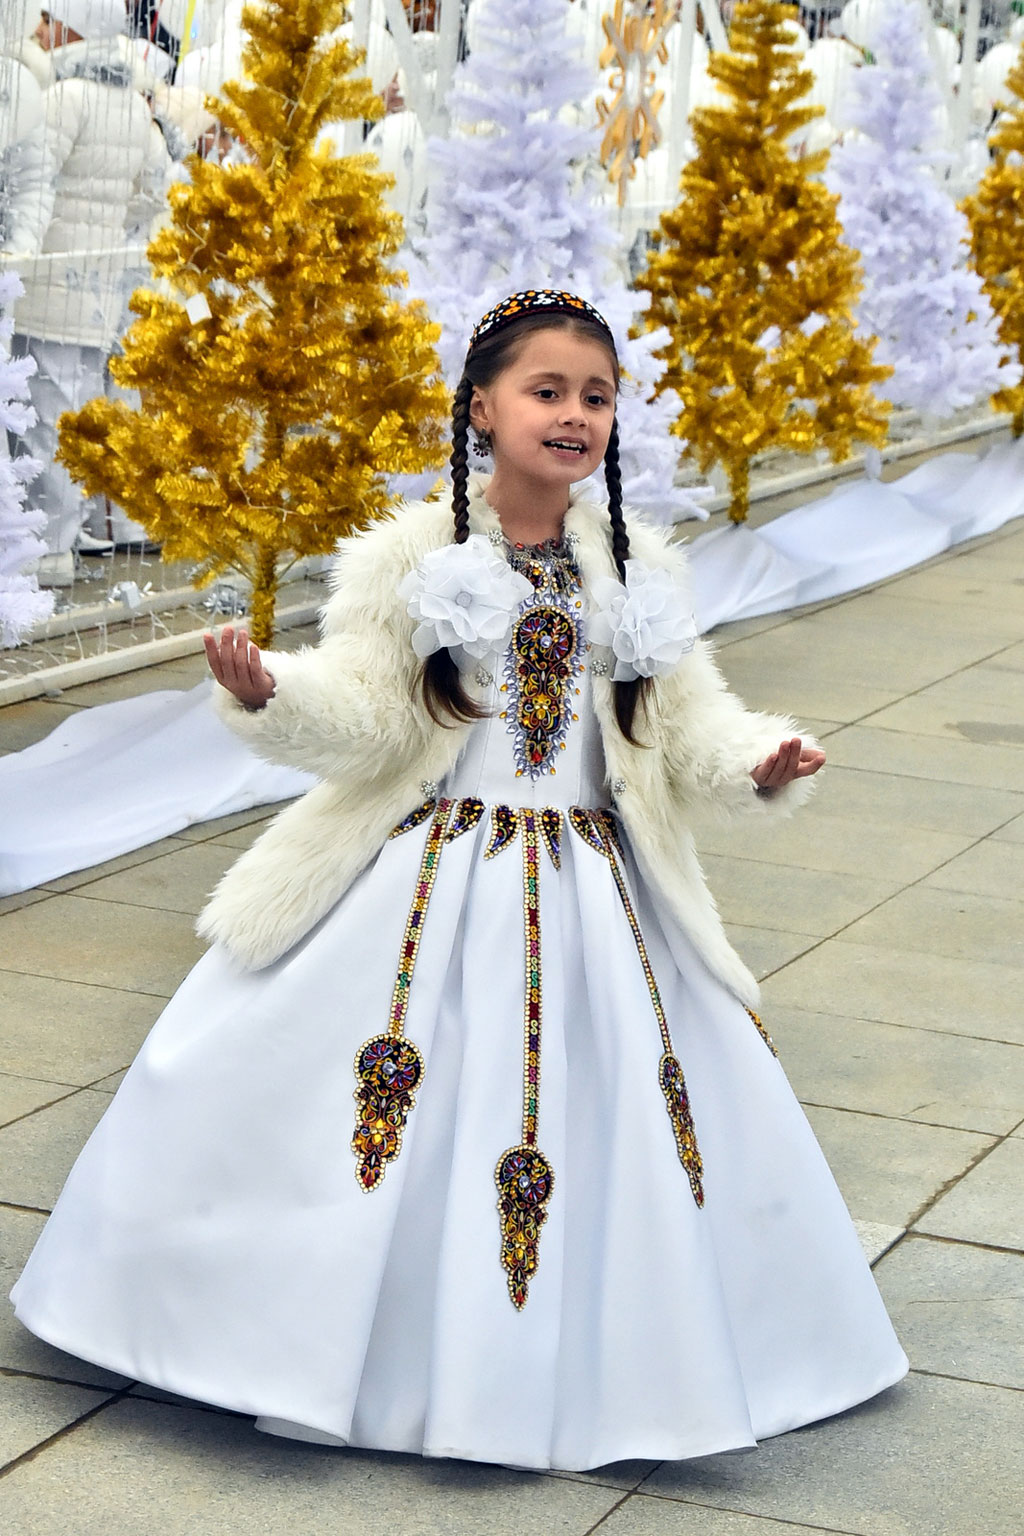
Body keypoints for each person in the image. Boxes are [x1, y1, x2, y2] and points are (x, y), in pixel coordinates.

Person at [11, 290, 908, 1471]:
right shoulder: (413, 558)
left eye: (595, 396)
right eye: (547, 391)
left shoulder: (635, 570)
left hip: (596, 891)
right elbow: (371, 713)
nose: (574, 415)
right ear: (482, 406)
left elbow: (686, 726)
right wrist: (268, 692)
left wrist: (759, 760)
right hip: (432, 874)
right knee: (346, 1097)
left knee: (635, 1115)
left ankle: (625, 1361)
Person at [2, 0, 172, 582]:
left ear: (75, 25)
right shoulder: (134, 109)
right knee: (75, 421)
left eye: (49, 17)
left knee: (40, 424)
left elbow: (33, 183)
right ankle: (64, 539)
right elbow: (157, 191)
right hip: (98, 295)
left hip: (47, 292)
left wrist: (19, 254)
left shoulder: (63, 99)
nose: (40, 28)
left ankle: (44, 550)